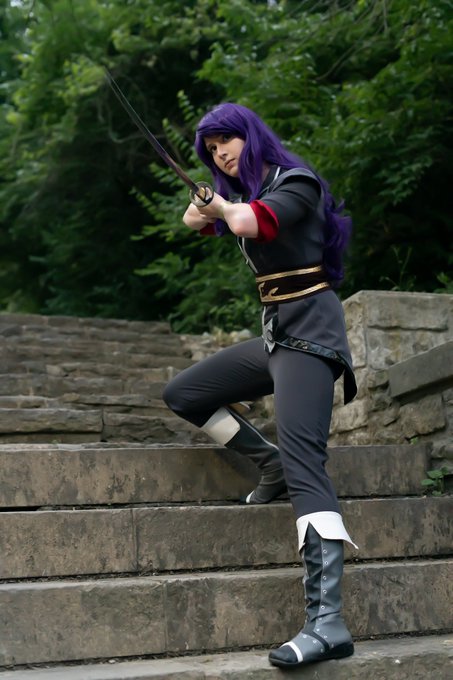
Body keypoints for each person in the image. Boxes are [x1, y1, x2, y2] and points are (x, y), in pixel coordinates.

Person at [162, 103, 358, 669]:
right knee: (185, 394)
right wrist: (208, 203)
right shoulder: (243, 192)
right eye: (211, 149)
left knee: (307, 463)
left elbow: (251, 222)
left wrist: (223, 207)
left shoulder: (296, 183)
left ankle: (327, 623)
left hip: (312, 335)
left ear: (250, 136)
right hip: (277, 336)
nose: (220, 152)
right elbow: (193, 222)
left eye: (227, 140)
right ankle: (267, 463)